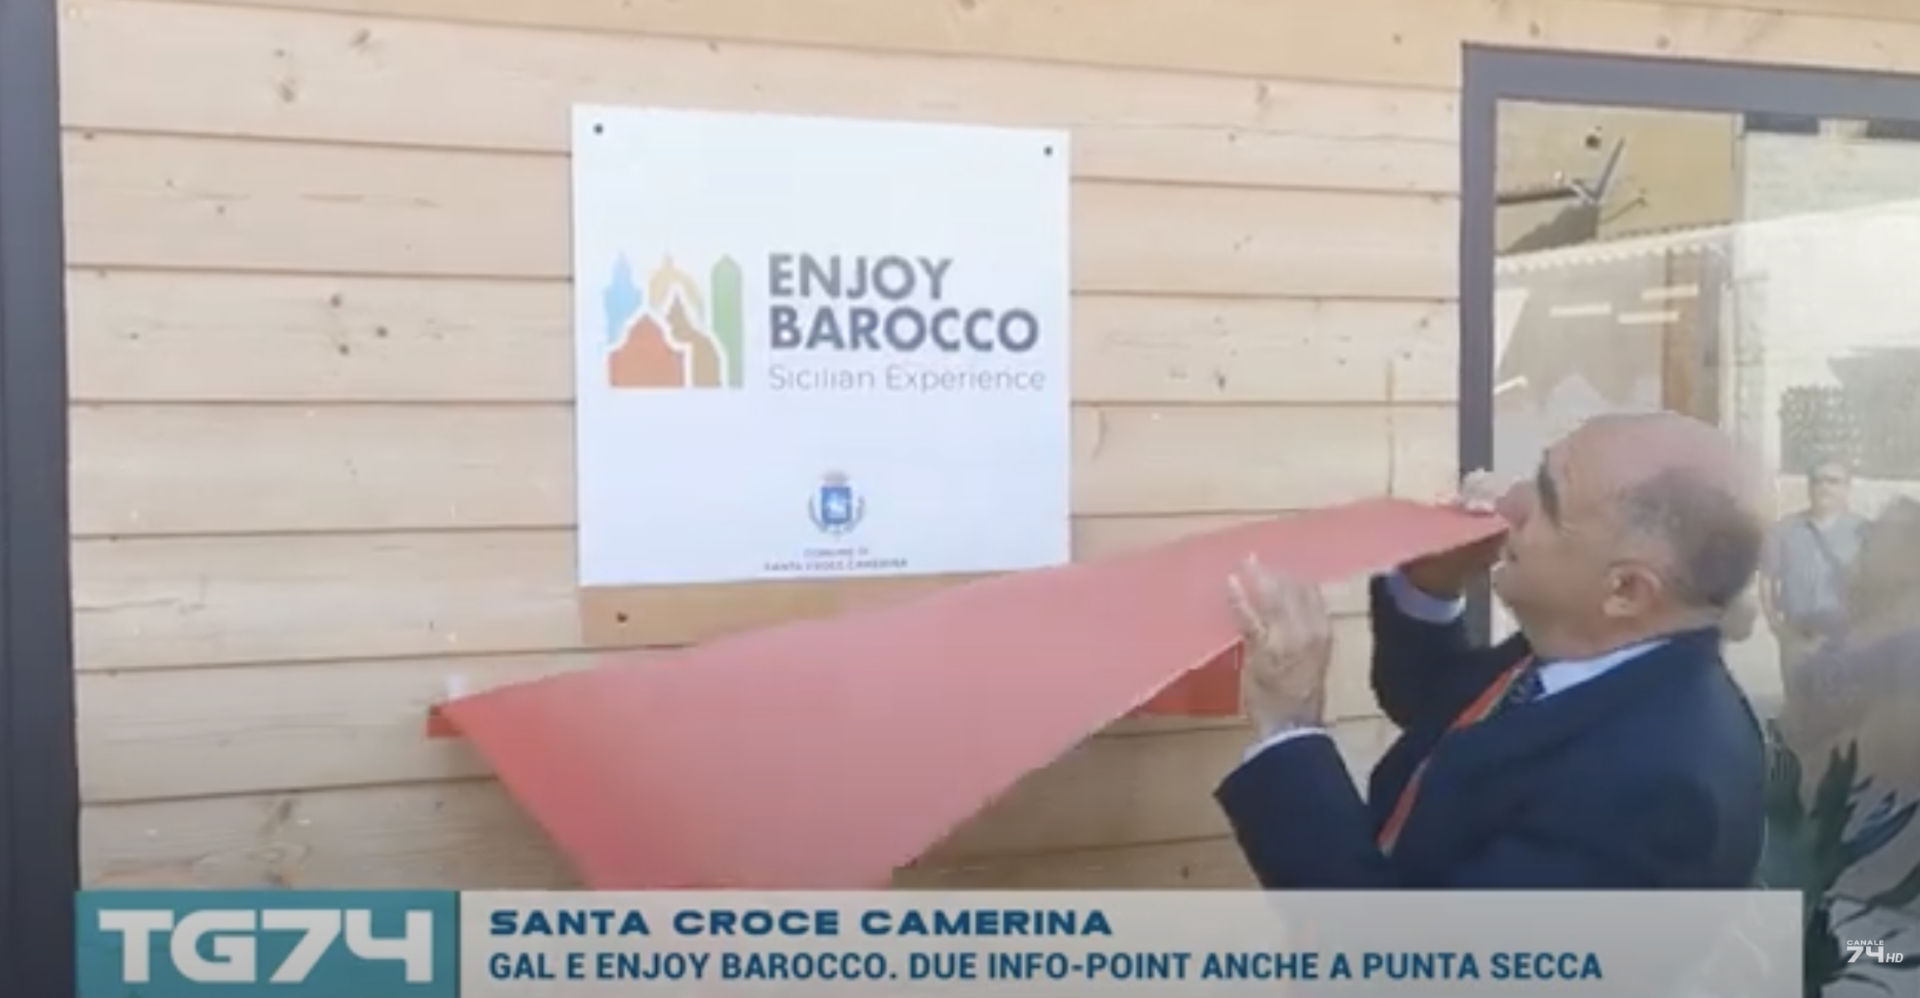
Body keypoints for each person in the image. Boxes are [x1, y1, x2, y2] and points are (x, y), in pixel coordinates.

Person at [1215, 412, 1768, 889]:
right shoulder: (1599, 650)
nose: (1509, 502)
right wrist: (1432, 587)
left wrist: (1290, 726)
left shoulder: (1658, 795)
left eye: (1546, 499)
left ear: (1626, 590)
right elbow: (1442, 713)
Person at [1759, 459, 1866, 682]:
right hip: (1797, 635)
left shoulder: (1864, 532)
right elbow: (1767, 580)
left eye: (1833, 481)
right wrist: (1777, 627)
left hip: (1844, 638)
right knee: (1798, 698)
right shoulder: (1784, 530)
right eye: (1817, 481)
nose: (1824, 487)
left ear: (1847, 487)